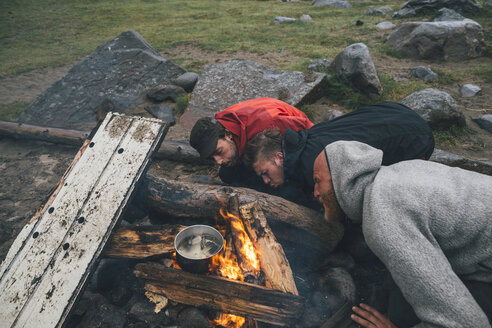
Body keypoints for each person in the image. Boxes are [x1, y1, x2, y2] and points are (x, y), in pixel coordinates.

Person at [312, 140, 492, 327]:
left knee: (402, 317)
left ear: (342, 176)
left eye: (318, 181)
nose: (315, 192)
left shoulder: (383, 216)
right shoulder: (396, 173)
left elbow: (466, 323)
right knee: (400, 299)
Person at [243, 102, 435, 196]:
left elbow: (338, 208)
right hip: (396, 111)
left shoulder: (312, 164)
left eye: (265, 173)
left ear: (279, 158)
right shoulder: (303, 140)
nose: (266, 181)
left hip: (415, 139)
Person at [189, 97, 314, 200]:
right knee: (227, 174)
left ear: (228, 135)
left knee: (291, 192)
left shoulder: (270, 124)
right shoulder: (224, 125)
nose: (218, 161)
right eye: (212, 158)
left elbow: (309, 139)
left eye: (219, 152)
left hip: (295, 147)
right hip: (257, 150)